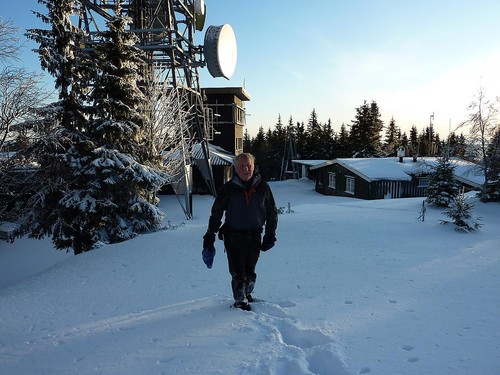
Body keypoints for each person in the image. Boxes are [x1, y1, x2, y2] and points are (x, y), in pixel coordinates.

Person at [202, 153, 278, 311]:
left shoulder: (263, 187)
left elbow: (272, 212)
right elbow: (216, 213)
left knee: (250, 270)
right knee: (238, 271)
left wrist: (270, 234)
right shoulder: (228, 189)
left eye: (249, 165)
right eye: (242, 166)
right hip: (233, 236)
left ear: (253, 166)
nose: (246, 169)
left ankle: (247, 292)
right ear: (236, 169)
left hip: (254, 235)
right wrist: (210, 234)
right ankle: (240, 300)